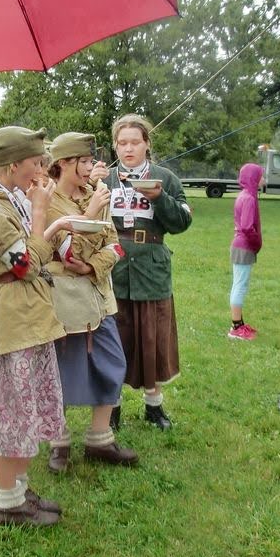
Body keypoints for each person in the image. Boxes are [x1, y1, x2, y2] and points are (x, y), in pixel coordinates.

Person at [0, 126, 74, 527]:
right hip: (14, 317)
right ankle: (7, 502)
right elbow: (25, 266)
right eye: (36, 162)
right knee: (14, 411)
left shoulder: (10, 199)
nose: (41, 169)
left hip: (28, 316)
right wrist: (42, 213)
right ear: (11, 165)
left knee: (27, 407)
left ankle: (20, 490)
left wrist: (47, 221)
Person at [44, 132, 138, 473]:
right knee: (60, 370)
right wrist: (93, 211)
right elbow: (64, 253)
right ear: (65, 163)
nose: (90, 168)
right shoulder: (49, 202)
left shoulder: (92, 194)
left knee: (113, 362)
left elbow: (114, 244)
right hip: (65, 300)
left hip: (99, 295)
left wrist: (91, 266)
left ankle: (100, 438)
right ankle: (59, 441)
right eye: (83, 162)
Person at [103, 114, 192, 431]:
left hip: (152, 271)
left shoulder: (165, 178)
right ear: (115, 146)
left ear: (146, 144)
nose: (128, 149)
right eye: (122, 143)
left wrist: (160, 198)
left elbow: (181, 222)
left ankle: (154, 408)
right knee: (114, 341)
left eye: (135, 142)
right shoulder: (105, 179)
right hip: (113, 270)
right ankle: (111, 409)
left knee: (152, 339)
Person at [227, 163, 264, 341]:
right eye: (260, 176)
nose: (263, 179)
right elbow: (247, 227)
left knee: (239, 284)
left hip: (240, 246)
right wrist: (257, 242)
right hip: (244, 247)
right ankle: (236, 328)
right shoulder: (248, 198)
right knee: (240, 286)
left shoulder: (244, 195)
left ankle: (239, 323)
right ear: (253, 178)